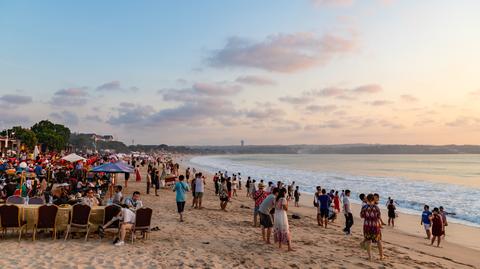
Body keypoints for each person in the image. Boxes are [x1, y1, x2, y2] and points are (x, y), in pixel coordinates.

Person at [360, 194, 384, 261]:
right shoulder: (376, 207)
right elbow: (379, 216)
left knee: (368, 241)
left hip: (367, 225)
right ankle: (381, 256)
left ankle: (370, 257)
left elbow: (361, 216)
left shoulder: (364, 207)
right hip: (375, 226)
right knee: (378, 241)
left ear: (367, 199)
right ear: (373, 199)